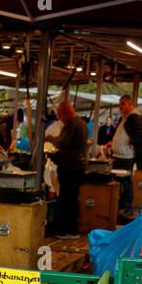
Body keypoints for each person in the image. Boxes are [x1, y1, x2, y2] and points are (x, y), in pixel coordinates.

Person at [104, 95, 142, 221]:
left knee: (126, 183)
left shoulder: (134, 117)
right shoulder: (126, 118)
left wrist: (132, 141)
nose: (120, 106)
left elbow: (140, 130)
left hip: (126, 157)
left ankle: (127, 210)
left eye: (123, 104)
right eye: (120, 104)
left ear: (130, 104)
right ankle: (122, 208)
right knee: (121, 183)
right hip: (119, 156)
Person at [51, 100, 87, 237]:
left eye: (59, 115)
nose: (59, 119)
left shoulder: (71, 124)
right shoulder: (82, 123)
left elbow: (63, 143)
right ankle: (72, 229)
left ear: (64, 113)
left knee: (66, 199)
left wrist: (50, 139)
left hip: (70, 168)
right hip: (78, 167)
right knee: (72, 199)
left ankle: (64, 230)